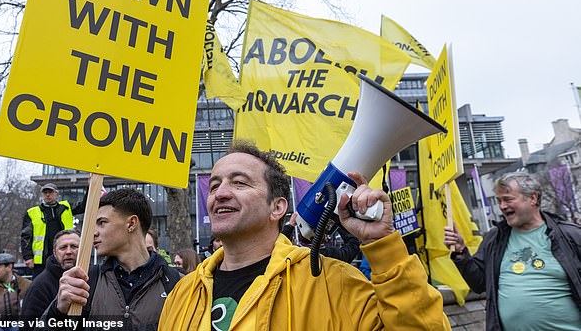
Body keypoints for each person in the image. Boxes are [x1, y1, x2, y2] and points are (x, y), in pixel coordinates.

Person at [158, 141, 449, 330]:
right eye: (215, 186)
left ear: (277, 207)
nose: (220, 193)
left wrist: (383, 249)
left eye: (239, 183)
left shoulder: (335, 283)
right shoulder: (183, 294)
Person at [444, 171, 581, 331]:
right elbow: (479, 283)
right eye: (499, 201)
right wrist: (461, 253)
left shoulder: (571, 236)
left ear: (533, 198)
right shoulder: (495, 238)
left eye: (508, 199)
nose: (502, 206)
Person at [43, 188, 181, 330]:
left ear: (131, 223)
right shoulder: (85, 281)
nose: (93, 233)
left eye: (102, 222)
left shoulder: (177, 284)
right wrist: (58, 312)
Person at [21, 183, 85, 278]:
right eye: (45, 192)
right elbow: (25, 237)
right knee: (41, 288)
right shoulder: (32, 213)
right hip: (41, 261)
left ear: (57, 194)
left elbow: (83, 206)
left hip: (64, 256)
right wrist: (28, 257)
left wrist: (90, 185)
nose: (47, 195)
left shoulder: (66, 208)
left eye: (50, 192)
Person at [20, 230, 80, 328]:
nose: (69, 251)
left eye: (74, 246)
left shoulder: (94, 278)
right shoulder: (39, 287)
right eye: (63, 247)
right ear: (54, 252)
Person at [281, 211, 361, 263]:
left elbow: (279, 245)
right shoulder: (333, 255)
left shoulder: (294, 256)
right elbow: (353, 242)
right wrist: (338, 223)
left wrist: (290, 224)